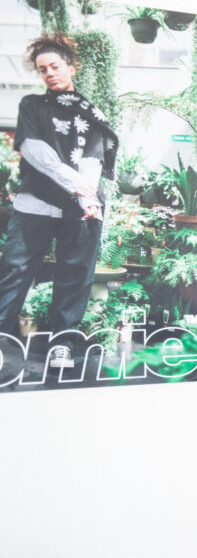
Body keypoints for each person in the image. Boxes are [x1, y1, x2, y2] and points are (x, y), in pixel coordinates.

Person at [0, 33, 118, 367]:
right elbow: (36, 152)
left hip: (82, 207)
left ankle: (62, 345)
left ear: (71, 67)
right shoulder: (32, 106)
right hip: (35, 202)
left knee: (76, 273)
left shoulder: (93, 114)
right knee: (14, 270)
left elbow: (93, 158)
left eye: (55, 66)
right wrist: (82, 189)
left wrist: (87, 197)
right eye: (42, 69)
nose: (49, 72)